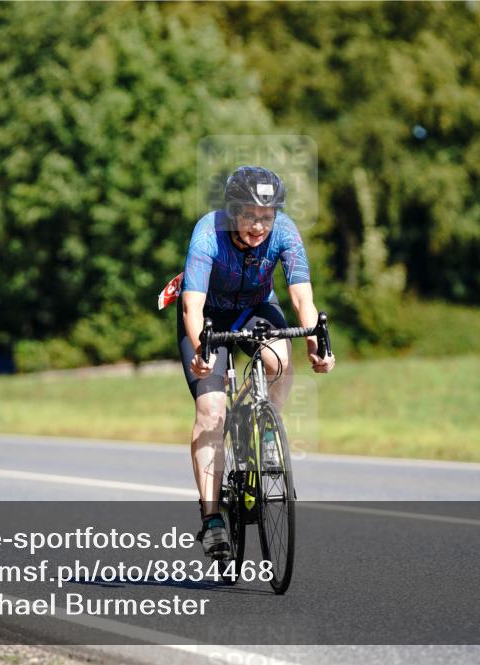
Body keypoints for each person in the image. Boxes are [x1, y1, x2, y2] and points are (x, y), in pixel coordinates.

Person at [176, 166, 335, 558]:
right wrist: (201, 352)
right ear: (232, 212)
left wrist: (316, 342)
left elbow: (302, 299)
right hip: (209, 317)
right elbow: (191, 306)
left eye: (267, 216)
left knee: (279, 358)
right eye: (250, 215)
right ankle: (212, 519)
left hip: (256, 309)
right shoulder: (207, 233)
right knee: (211, 410)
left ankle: (261, 426)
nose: (259, 226)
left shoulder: (285, 232)